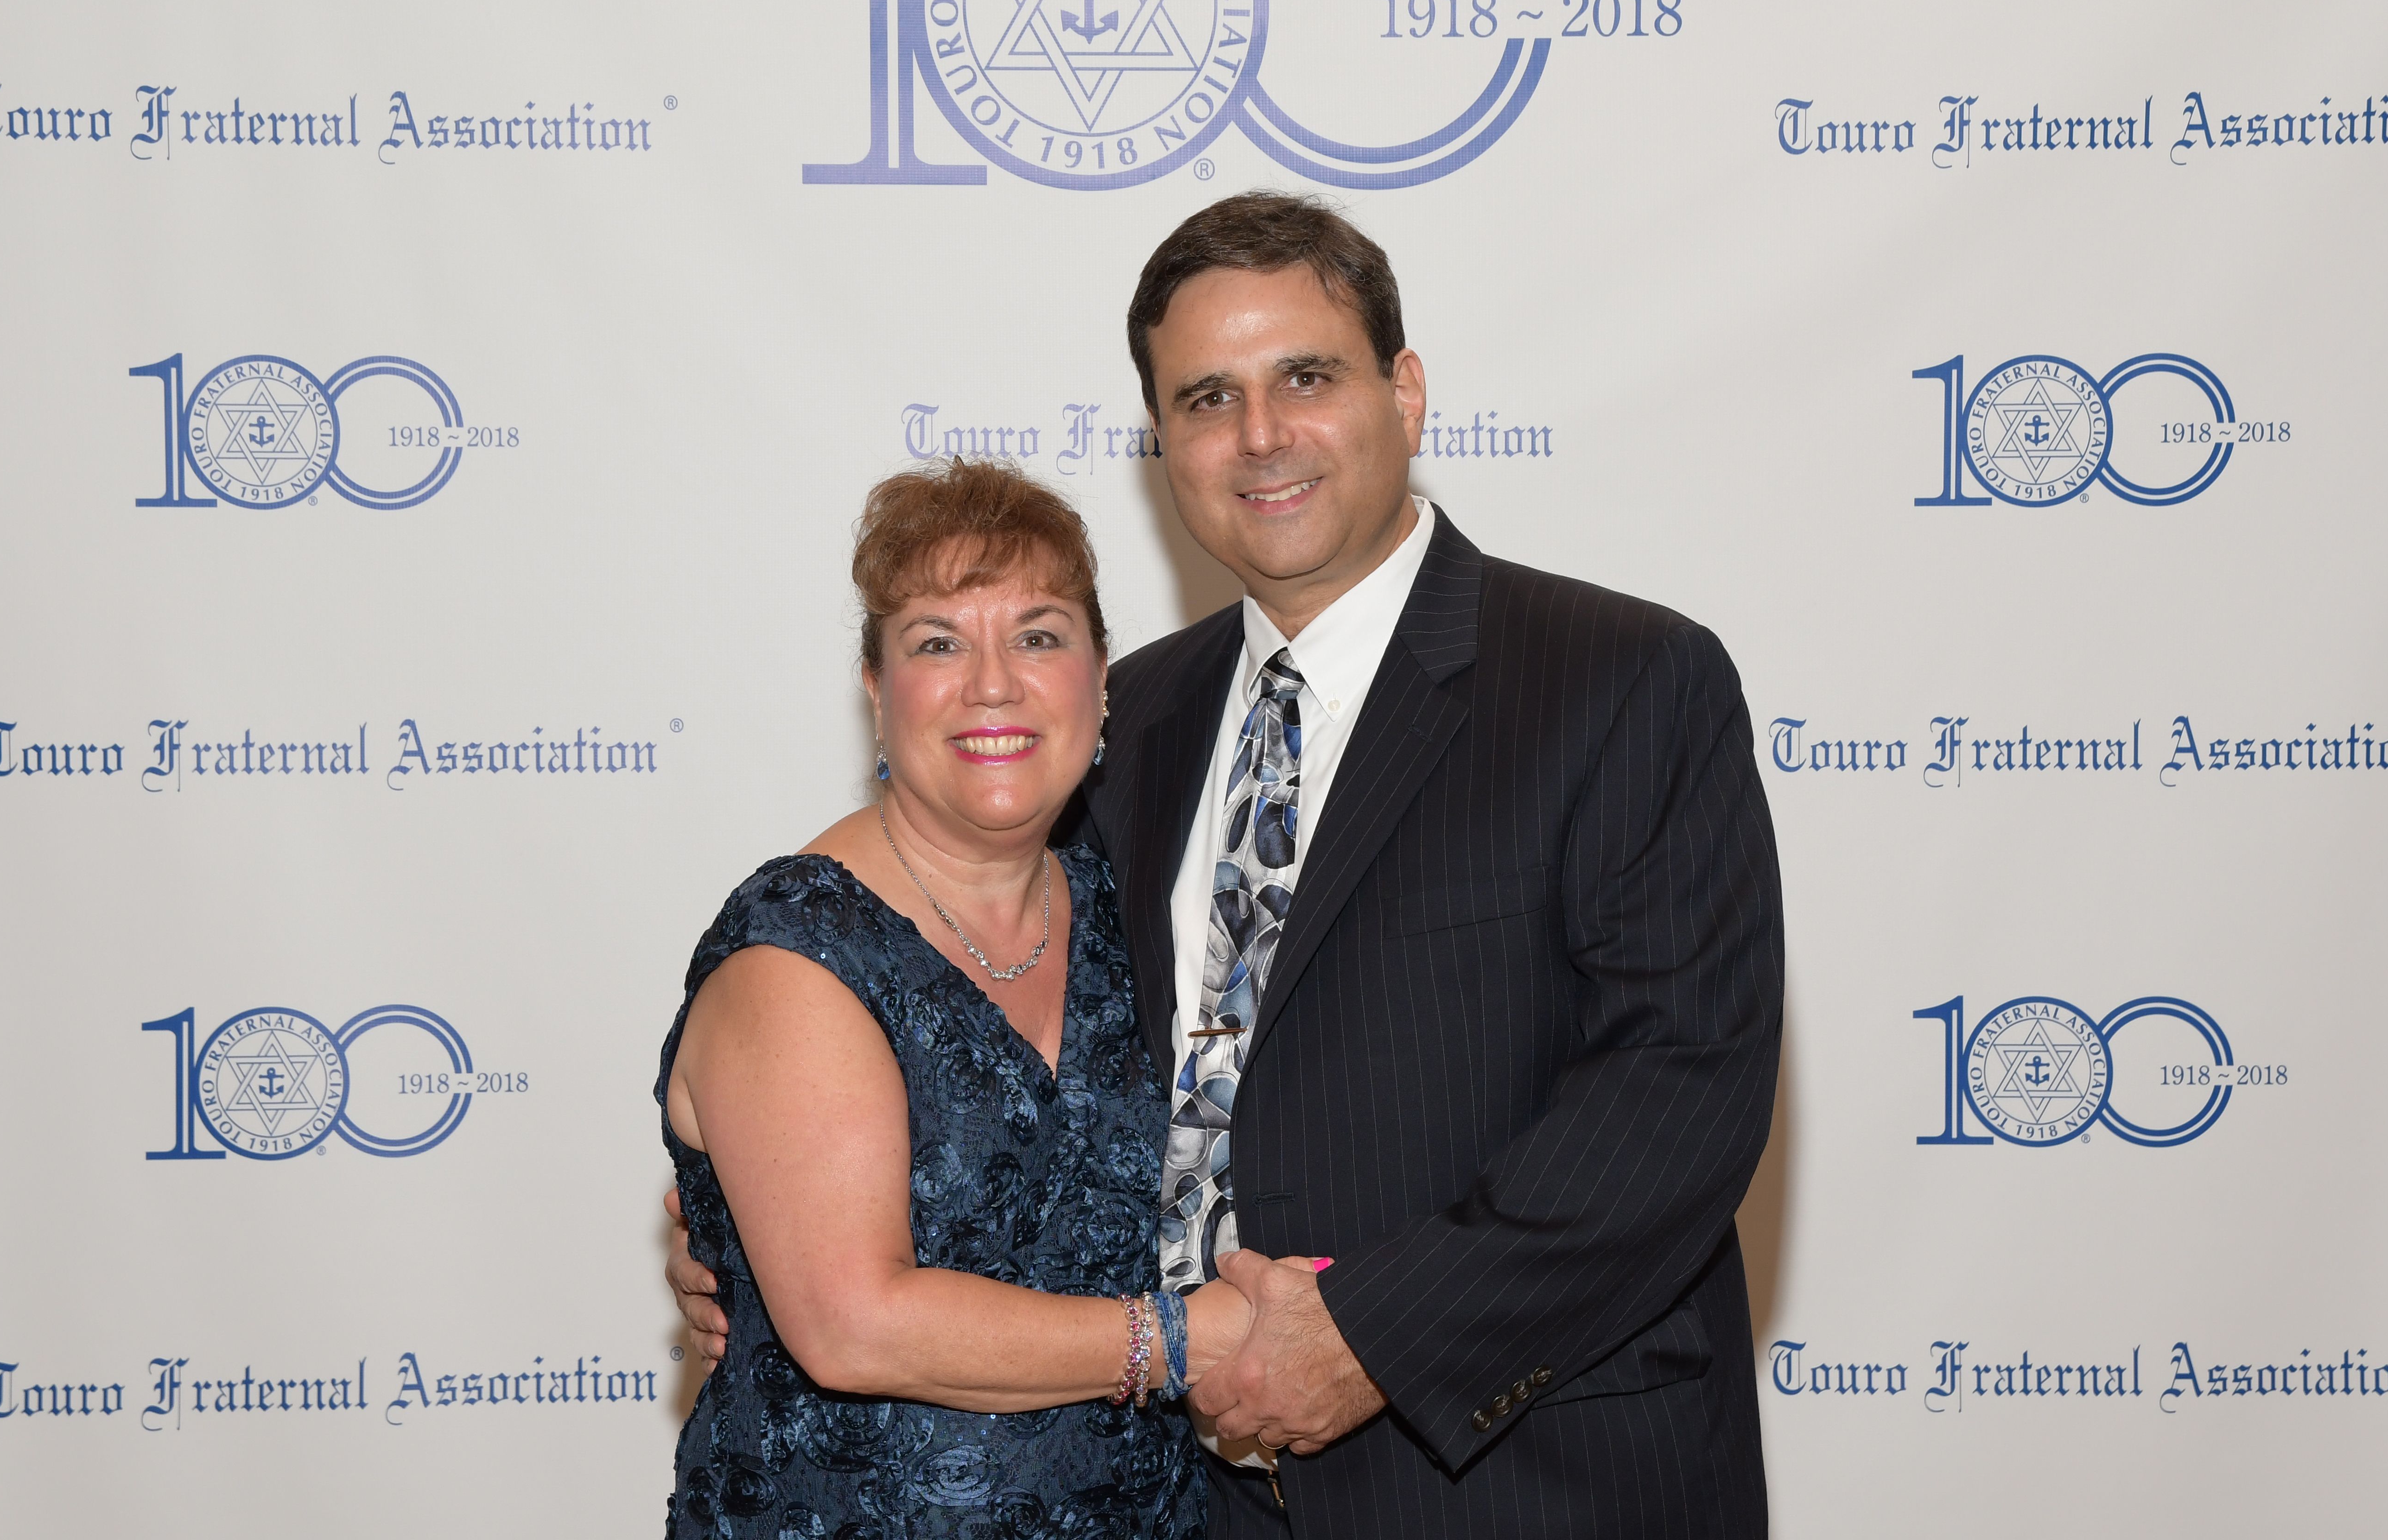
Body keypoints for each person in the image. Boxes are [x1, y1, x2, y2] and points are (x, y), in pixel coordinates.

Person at [674, 193, 1784, 1538]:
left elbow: (1676, 1097)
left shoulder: (1622, 681)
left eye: (1305, 377)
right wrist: (757, 1230)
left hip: (1525, 1486)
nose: (1260, 435)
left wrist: (1367, 1339)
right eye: (1208, 398)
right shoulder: (1119, 724)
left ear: (1405, 392)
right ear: (1164, 444)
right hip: (1182, 1501)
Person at [656, 461, 1257, 1539]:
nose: (993, 684)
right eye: (938, 642)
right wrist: (1184, 1339)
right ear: (876, 690)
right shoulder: (796, 949)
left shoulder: (1137, 904)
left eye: (1038, 636)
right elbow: (853, 1323)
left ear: (1100, 679)